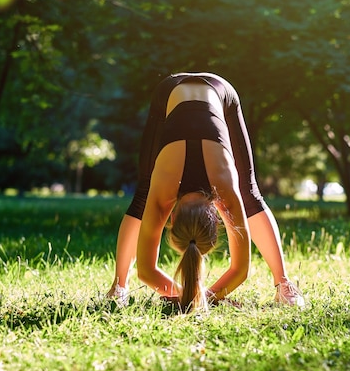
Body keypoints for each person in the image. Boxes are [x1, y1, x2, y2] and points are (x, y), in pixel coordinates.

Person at [106, 72, 304, 311]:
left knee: (248, 192)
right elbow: (238, 271)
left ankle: (284, 284)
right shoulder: (219, 192)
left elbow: (147, 272)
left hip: (212, 92)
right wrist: (201, 297)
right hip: (177, 93)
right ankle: (118, 286)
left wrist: (192, 297)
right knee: (247, 194)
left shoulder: (210, 190)